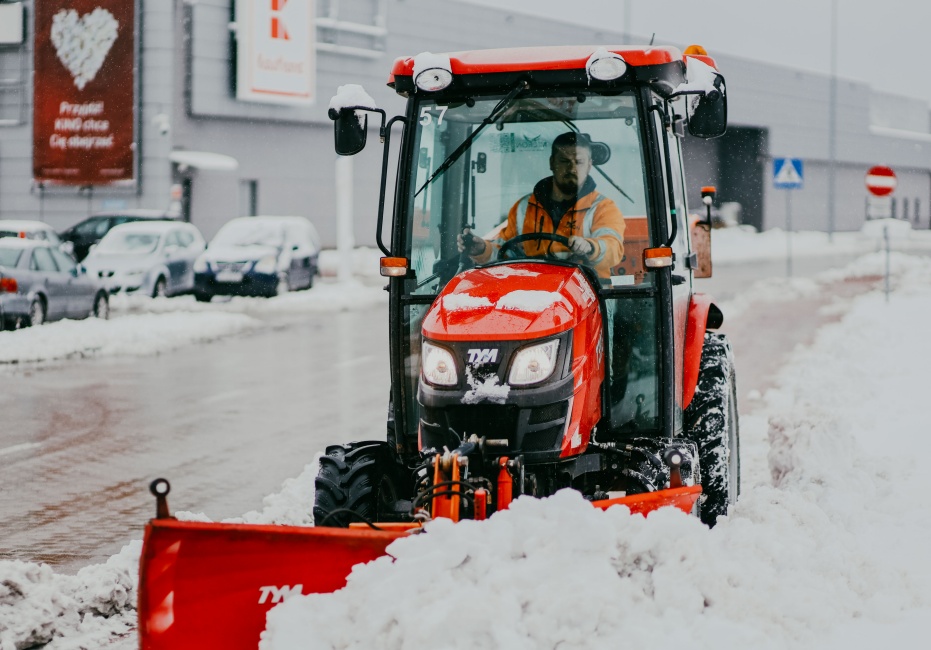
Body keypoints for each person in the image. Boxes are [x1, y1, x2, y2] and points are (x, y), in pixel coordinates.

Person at [457, 131, 625, 278]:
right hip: (533, 290)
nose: (572, 168)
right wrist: (481, 249)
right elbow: (504, 252)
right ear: (552, 163)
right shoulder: (524, 207)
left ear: (589, 165)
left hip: (589, 292)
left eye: (578, 162)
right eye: (564, 161)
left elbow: (613, 248)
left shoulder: (602, 208)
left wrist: (590, 246)